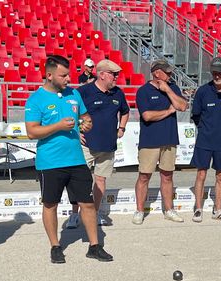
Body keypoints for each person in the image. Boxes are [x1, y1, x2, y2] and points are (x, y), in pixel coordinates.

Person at [24, 55, 113, 264]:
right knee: (50, 205)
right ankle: (55, 246)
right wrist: (58, 127)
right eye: (63, 75)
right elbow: (31, 132)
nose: (68, 79)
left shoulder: (74, 94)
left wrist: (87, 124)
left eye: (68, 74)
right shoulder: (36, 100)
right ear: (49, 75)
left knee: (88, 204)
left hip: (76, 160)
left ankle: (94, 246)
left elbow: (86, 117)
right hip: (50, 163)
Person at [65, 59, 130, 228]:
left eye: (117, 75)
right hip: (86, 145)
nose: (116, 78)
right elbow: (69, 111)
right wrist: (75, 132)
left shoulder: (118, 93)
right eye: (113, 74)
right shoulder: (84, 92)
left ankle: (94, 213)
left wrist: (121, 128)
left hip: (107, 146)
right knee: (78, 181)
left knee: (100, 180)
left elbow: (125, 112)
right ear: (102, 75)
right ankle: (74, 214)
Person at [132, 59, 188, 225]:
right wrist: (169, 110)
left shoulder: (173, 87)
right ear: (157, 73)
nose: (170, 75)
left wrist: (168, 90)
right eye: (167, 72)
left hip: (169, 139)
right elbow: (147, 116)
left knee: (167, 176)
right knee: (144, 176)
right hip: (150, 141)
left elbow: (183, 106)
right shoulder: (143, 91)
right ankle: (139, 210)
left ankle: (169, 210)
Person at [190, 57, 221, 223]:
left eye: (220, 71)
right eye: (214, 71)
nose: (217, 74)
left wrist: (220, 129)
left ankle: (218, 210)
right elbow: (196, 116)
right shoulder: (203, 91)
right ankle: (198, 208)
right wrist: (206, 129)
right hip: (204, 140)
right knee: (201, 174)